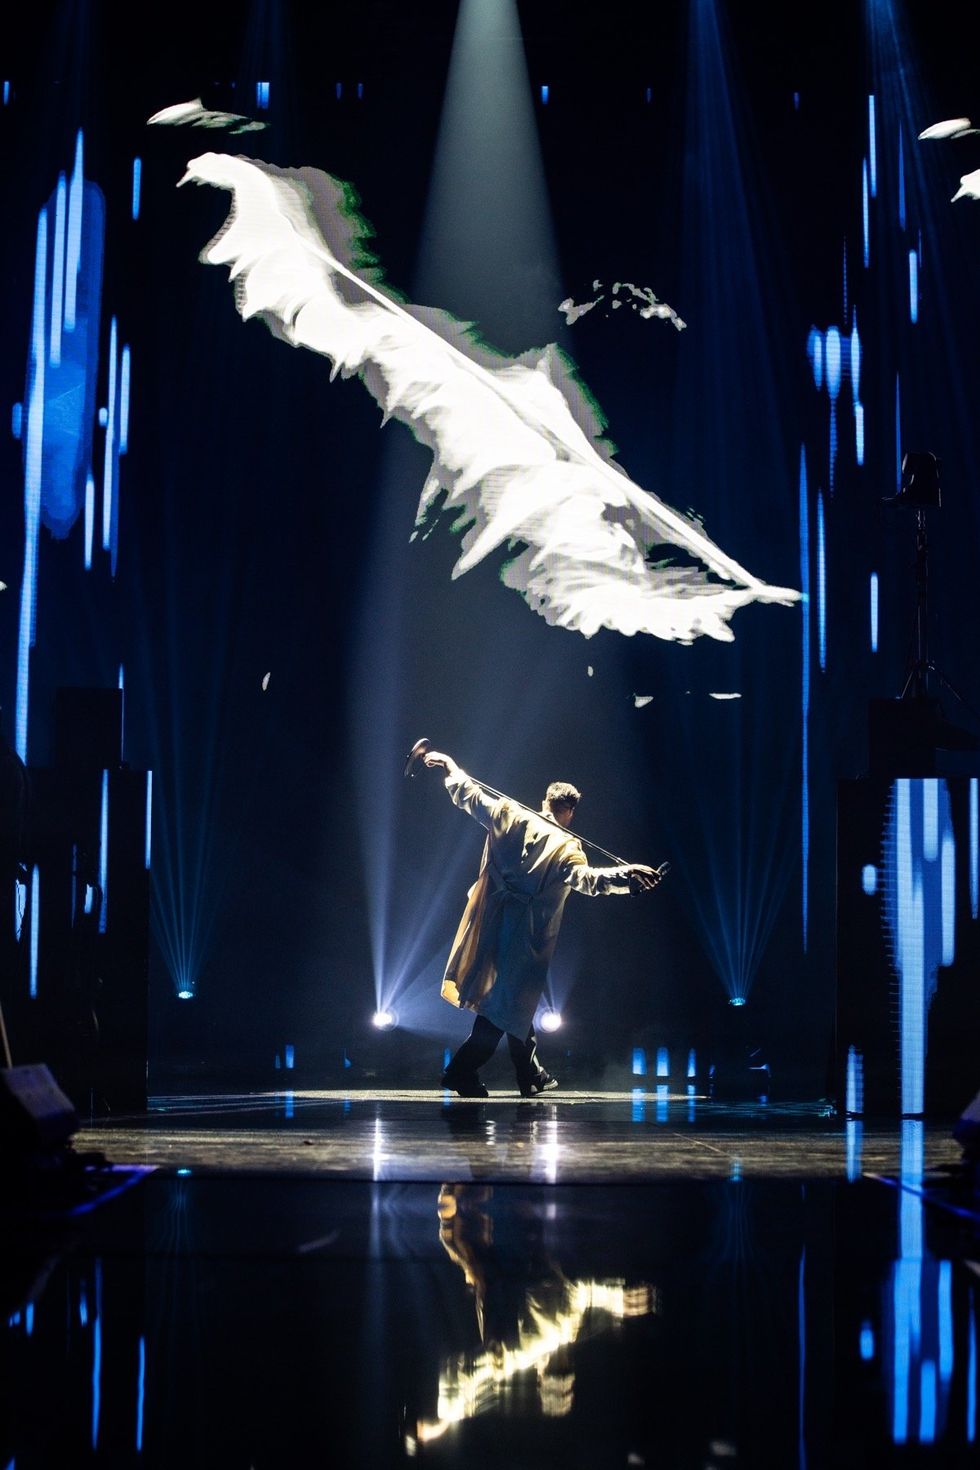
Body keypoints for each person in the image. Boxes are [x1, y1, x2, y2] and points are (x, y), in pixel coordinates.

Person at [423, 750, 663, 1098]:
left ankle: (529, 1075)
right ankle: (462, 1071)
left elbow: (469, 795)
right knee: (503, 1006)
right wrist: (626, 877)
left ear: (545, 801)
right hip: (526, 935)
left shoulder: (510, 813)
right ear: (571, 811)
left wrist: (449, 765)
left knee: (512, 1004)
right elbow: (588, 880)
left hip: (491, 922)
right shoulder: (566, 844)